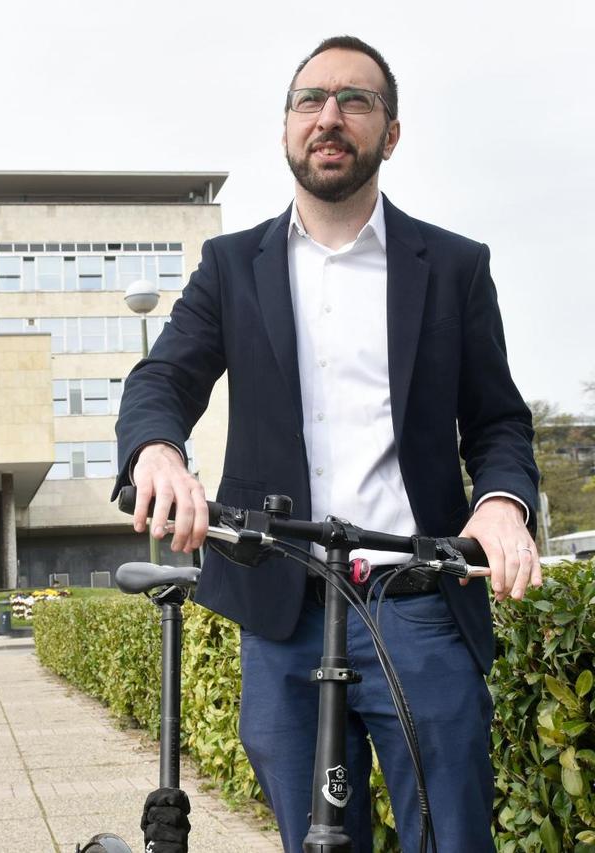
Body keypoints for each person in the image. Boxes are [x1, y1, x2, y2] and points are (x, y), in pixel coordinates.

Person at [115, 35, 540, 851]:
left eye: (356, 100)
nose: (330, 118)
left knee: (451, 837)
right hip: (283, 614)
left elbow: (496, 421)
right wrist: (158, 452)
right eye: (310, 100)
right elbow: (160, 379)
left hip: (416, 604)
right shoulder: (232, 266)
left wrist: (499, 505)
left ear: (391, 130)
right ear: (286, 129)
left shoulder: (454, 266)